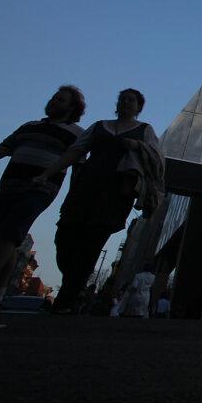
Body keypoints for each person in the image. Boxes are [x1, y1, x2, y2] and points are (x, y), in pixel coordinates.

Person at [38, 88, 165, 315]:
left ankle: (66, 299)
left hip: (116, 194)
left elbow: (158, 159)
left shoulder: (144, 130)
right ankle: (71, 287)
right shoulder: (99, 126)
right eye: (123, 99)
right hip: (85, 189)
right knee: (65, 237)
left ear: (139, 107)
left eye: (131, 100)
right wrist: (48, 173)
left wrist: (137, 146)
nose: (126, 103)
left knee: (91, 243)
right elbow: (75, 151)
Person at [0, 86, 86, 310]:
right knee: (2, 237)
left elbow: (77, 166)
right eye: (54, 98)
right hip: (8, 187)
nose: (54, 102)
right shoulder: (29, 127)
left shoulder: (76, 133)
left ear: (72, 108)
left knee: (11, 231)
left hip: (40, 189)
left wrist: (73, 199)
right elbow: (3, 148)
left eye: (61, 100)